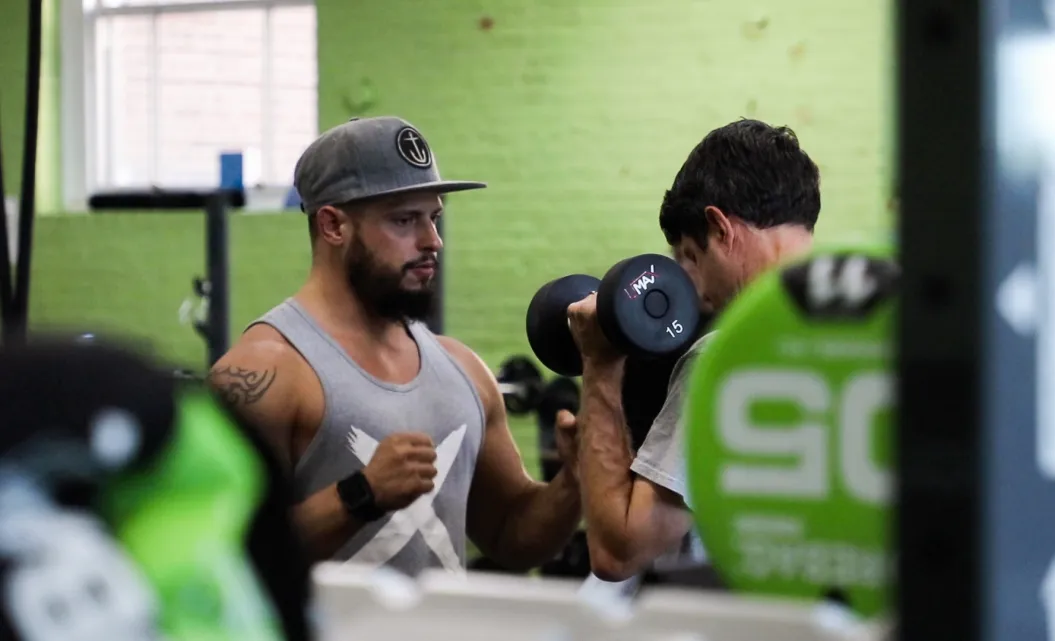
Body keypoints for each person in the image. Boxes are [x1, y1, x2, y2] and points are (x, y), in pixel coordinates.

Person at [207, 116, 582, 576]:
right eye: (405, 220)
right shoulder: (267, 372)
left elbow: (512, 537)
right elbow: (214, 558)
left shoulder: (463, 368)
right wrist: (360, 494)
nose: (433, 241)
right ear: (332, 226)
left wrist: (574, 482)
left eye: (434, 217)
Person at [566, 119, 821, 581]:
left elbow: (620, 553)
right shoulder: (866, 328)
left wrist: (599, 361)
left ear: (719, 227)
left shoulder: (727, 359)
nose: (693, 289)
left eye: (689, 254)